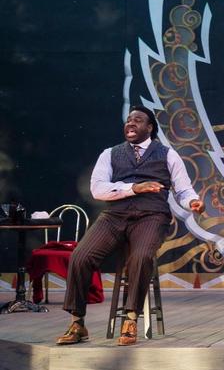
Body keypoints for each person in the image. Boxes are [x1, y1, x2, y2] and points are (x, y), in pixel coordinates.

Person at [56, 105, 205, 347]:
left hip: (151, 216)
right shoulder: (110, 154)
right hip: (115, 215)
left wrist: (193, 202)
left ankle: (131, 318)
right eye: (128, 120)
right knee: (80, 256)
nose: (131, 123)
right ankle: (77, 322)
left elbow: (183, 189)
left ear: (150, 127)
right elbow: (98, 189)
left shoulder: (167, 154)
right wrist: (133, 188)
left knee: (141, 257)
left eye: (138, 120)